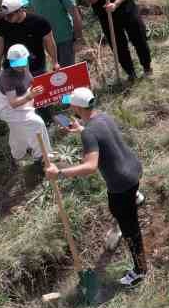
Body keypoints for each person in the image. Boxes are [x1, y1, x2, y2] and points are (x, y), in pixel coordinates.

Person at [46, 87, 147, 286]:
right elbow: (102, 136)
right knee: (126, 202)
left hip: (120, 184)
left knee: (129, 228)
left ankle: (140, 270)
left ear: (76, 107)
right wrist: (83, 130)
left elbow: (90, 166)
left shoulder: (89, 132)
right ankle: (136, 196)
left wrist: (59, 173)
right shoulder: (104, 117)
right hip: (134, 169)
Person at [0, 44, 50, 163]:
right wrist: (30, 96)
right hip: (5, 106)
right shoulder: (7, 77)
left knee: (18, 128)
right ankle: (41, 156)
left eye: (23, 62)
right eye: (17, 63)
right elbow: (13, 103)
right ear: (10, 62)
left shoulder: (24, 67)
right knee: (37, 123)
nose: (21, 66)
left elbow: (30, 82)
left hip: (22, 98)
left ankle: (18, 154)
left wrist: (44, 96)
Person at [23, 0, 82, 68]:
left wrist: (78, 39)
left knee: (67, 71)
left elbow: (76, 16)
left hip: (64, 39)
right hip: (46, 41)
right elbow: (32, 16)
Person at [0, 0, 57, 75]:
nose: (6, 18)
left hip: (36, 69)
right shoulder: (3, 23)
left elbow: (49, 42)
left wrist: (55, 62)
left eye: (9, 16)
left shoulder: (39, 22)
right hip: (11, 68)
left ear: (20, 10)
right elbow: (0, 43)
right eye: (4, 15)